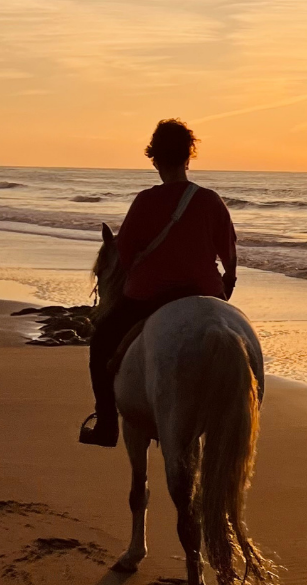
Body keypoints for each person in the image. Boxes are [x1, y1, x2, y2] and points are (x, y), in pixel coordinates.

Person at [79, 119, 237, 447]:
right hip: (206, 295)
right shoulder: (210, 201)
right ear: (188, 157)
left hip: (150, 298)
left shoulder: (146, 202)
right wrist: (226, 286)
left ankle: (108, 424)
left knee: (100, 346)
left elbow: (122, 255)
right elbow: (230, 255)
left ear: (154, 159)